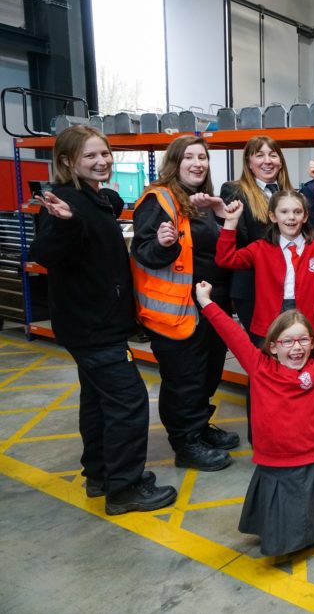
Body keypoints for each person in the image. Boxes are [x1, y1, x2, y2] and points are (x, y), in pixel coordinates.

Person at [30, 125, 176, 514]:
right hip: (93, 326)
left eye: (105, 154)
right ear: (67, 161)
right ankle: (125, 488)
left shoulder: (91, 198)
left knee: (97, 400)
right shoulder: (63, 203)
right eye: (91, 156)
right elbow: (44, 253)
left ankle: (100, 474)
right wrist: (64, 223)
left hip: (94, 323)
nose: (102, 161)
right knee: (129, 402)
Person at [196, 282, 314, 555]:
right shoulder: (259, 367)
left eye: (303, 340)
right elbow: (232, 333)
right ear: (273, 346)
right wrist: (207, 302)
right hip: (273, 464)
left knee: (306, 516)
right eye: (288, 341)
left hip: (309, 460)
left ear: (312, 343)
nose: (296, 347)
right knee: (281, 522)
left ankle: (306, 537)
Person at [131, 135, 239, 472]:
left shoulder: (201, 201)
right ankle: (186, 443)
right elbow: (143, 252)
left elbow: (214, 250)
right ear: (174, 162)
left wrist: (222, 217)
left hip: (210, 308)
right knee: (185, 379)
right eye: (189, 157)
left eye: (203, 158)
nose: (198, 163)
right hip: (178, 310)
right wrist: (163, 244)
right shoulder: (159, 199)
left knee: (206, 375)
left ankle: (199, 427)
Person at [215, 190, 314, 342]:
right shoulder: (260, 248)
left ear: (305, 217)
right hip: (270, 322)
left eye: (297, 212)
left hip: (309, 322)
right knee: (270, 364)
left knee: (312, 364)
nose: (291, 217)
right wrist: (230, 223)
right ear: (273, 216)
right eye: (284, 212)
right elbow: (225, 259)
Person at [219, 135, 294, 337]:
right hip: (253, 288)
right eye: (259, 155)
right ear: (249, 163)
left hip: (286, 285)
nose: (267, 161)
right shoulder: (235, 190)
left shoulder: (290, 193)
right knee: (264, 349)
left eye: (273, 155)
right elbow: (239, 241)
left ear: (280, 161)